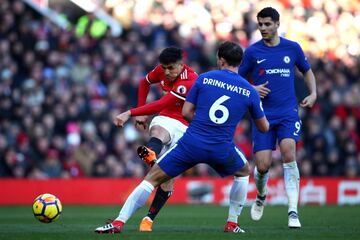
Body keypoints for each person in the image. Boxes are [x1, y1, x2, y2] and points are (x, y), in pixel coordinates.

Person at [95, 41, 269, 234]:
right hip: (221, 146)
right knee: (243, 172)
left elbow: (186, 112)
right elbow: (263, 127)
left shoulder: (203, 79)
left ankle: (119, 222)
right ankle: (232, 223)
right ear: (240, 61)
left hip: (192, 142)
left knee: (151, 179)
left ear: (220, 59)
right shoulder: (249, 90)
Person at [238, 7, 317, 228]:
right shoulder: (252, 52)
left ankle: (293, 211)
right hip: (262, 115)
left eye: (267, 24)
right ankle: (261, 196)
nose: (263, 28)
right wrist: (252, 88)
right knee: (262, 166)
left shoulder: (292, 48)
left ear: (277, 24)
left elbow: (307, 71)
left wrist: (313, 93)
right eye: (260, 24)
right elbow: (237, 78)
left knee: (288, 153)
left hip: (287, 113)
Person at [117, 46, 198, 231]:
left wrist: (130, 112)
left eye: (171, 68)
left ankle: (148, 220)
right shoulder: (161, 70)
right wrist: (140, 111)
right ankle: (152, 153)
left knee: (168, 179)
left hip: (186, 126)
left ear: (181, 64)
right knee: (159, 130)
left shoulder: (190, 80)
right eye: (164, 67)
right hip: (166, 118)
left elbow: (162, 102)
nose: (167, 72)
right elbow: (144, 82)